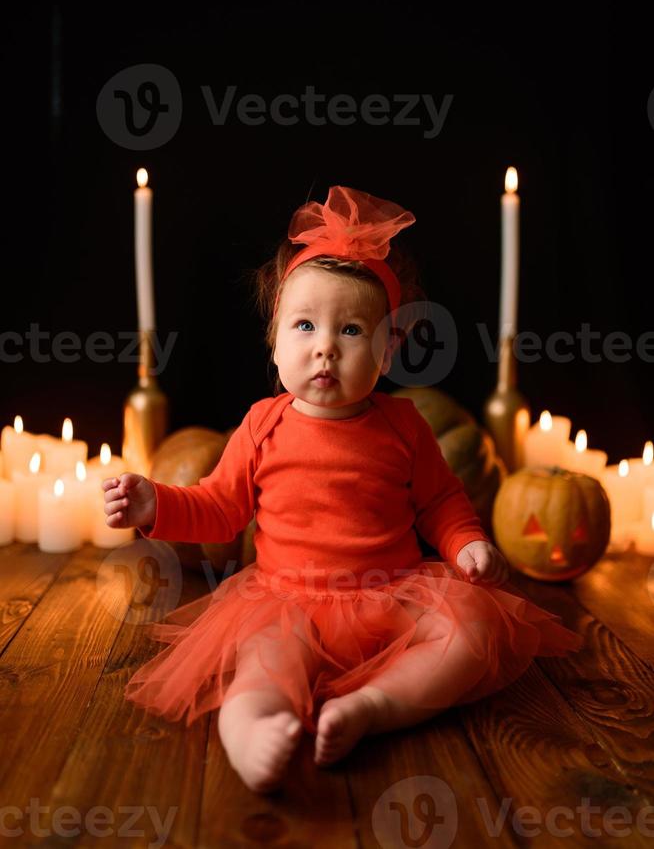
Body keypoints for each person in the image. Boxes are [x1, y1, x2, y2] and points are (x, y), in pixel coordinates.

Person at [103, 185, 584, 794]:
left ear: (389, 350)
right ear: (275, 342)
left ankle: (375, 707)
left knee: (471, 636)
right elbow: (219, 509)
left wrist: (466, 545)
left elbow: (440, 502)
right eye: (304, 325)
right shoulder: (263, 424)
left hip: (394, 596)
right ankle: (255, 731)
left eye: (352, 329)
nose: (325, 345)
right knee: (262, 666)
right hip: (288, 603)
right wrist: (156, 505)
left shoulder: (403, 425)